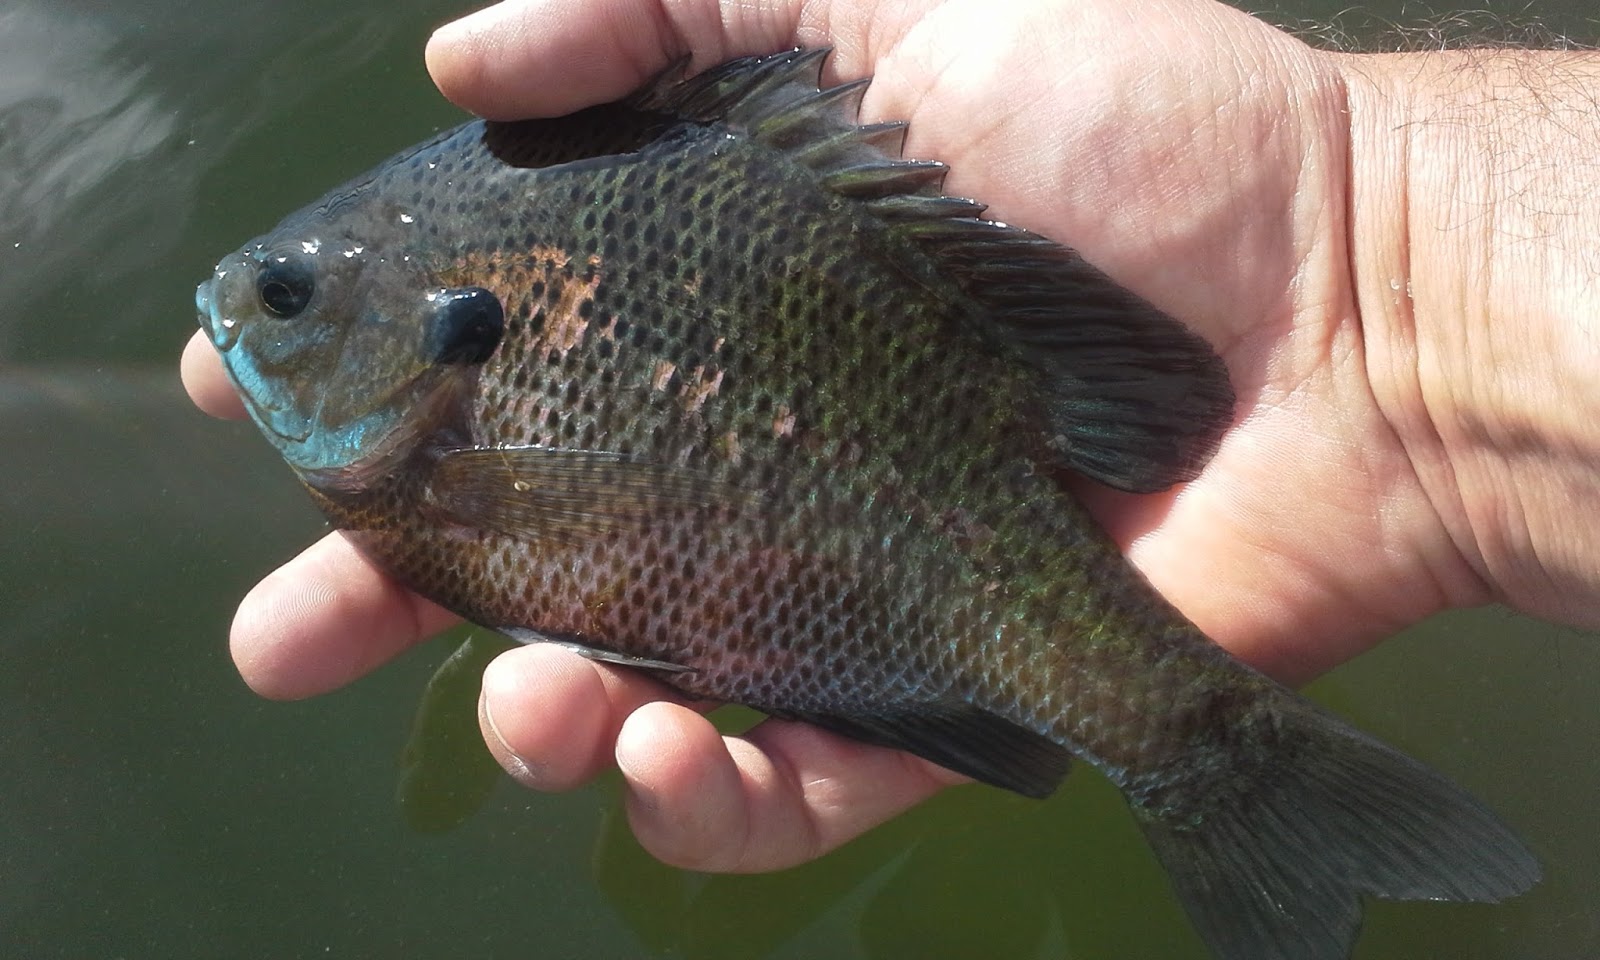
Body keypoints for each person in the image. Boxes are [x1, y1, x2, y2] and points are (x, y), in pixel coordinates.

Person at [180, 0, 1600, 873]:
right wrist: (1374, 231)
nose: (263, 304)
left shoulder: (445, 466)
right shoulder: (452, 440)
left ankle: (1199, 746)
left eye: (294, 294)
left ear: (423, 330)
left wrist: (1352, 219)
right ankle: (1205, 752)